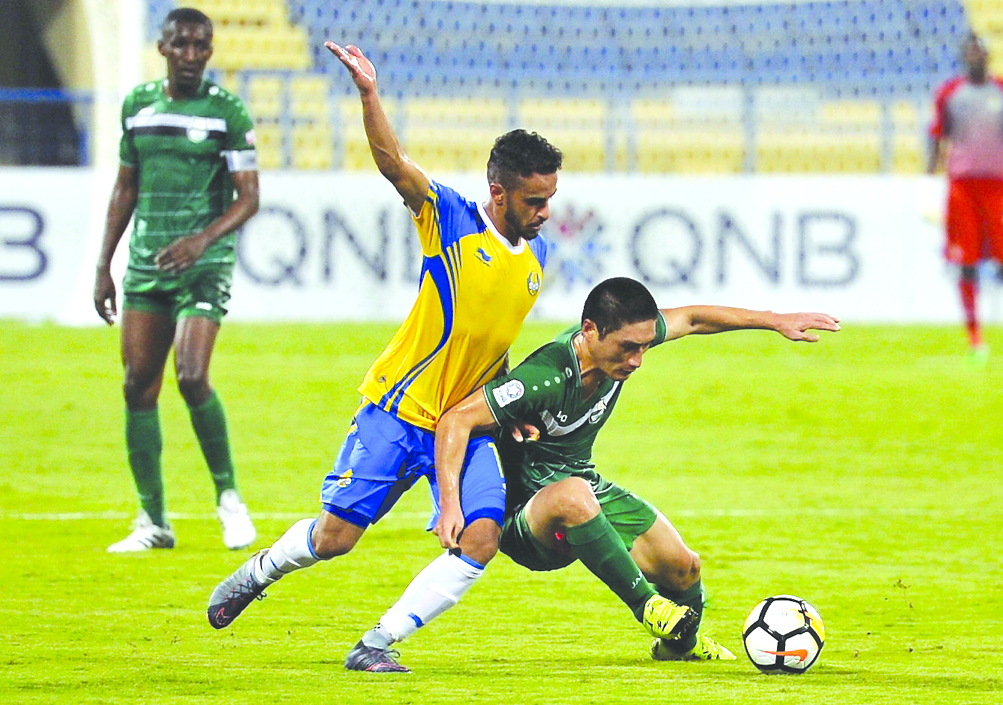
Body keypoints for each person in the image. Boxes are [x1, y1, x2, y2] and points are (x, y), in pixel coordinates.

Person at [207, 41, 568, 673]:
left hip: (464, 425)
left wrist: (504, 410)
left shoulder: (535, 260)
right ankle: (261, 571)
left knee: (481, 535)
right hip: (398, 410)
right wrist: (370, 94)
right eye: (535, 201)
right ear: (499, 192)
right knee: (335, 538)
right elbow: (392, 163)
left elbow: (493, 348)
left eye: (550, 199)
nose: (545, 213)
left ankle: (376, 643)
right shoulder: (450, 219)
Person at [434, 278, 840, 661]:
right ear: (590, 331)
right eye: (628, 348)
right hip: (526, 517)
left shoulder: (623, 345)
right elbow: (456, 420)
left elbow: (692, 319)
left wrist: (774, 321)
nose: (637, 360)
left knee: (684, 568)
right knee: (573, 494)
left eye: (645, 346)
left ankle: (679, 648)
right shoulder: (546, 376)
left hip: (582, 485)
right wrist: (451, 505)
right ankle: (647, 606)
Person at [93, 7, 259, 552]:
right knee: (136, 385)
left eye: (200, 46)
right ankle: (153, 522)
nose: (191, 55)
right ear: (162, 48)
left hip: (203, 265)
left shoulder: (226, 111)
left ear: (209, 51)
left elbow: (249, 197)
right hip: (147, 264)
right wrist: (104, 265)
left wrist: (201, 241)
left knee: (190, 375)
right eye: (181, 45)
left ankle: (229, 500)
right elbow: (125, 188)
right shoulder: (138, 106)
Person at [928, 33, 1003, 363]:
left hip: (998, 187)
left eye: (980, 52)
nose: (976, 57)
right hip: (963, 188)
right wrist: (928, 180)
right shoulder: (949, 93)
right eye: (970, 52)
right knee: (966, 262)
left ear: (988, 56)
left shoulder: (1000, 90)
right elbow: (937, 136)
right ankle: (975, 338)